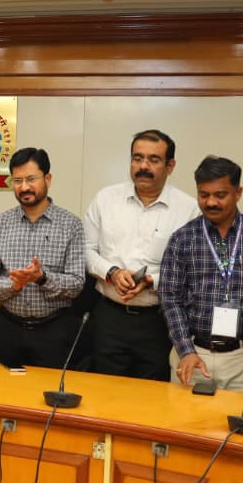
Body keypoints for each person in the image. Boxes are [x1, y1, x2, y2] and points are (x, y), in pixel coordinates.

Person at [83, 129, 199, 381]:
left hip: (158, 321)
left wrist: (151, 281)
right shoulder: (106, 199)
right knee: (104, 391)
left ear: (170, 166)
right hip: (108, 317)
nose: (143, 166)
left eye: (153, 160)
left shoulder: (188, 209)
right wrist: (112, 273)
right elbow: (86, 249)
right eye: (137, 158)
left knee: (151, 395)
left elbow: (191, 270)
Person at [159, 155, 243, 391]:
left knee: (239, 415)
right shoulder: (182, 239)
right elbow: (170, 298)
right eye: (204, 195)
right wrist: (186, 350)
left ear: (238, 193)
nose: (211, 202)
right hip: (193, 353)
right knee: (185, 415)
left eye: (220, 195)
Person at [0, 147, 85, 368]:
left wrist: (42, 278)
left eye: (31, 179)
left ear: (48, 179)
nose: (24, 187)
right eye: (17, 181)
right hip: (9, 328)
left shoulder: (71, 225)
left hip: (54, 331)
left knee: (48, 389)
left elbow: (76, 283)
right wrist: (13, 285)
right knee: (5, 388)